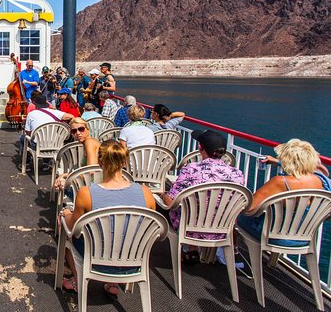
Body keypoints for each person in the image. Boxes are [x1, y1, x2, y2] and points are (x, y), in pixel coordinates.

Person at [59, 140, 156, 297]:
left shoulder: (86, 193)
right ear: (124, 162)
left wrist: (65, 213)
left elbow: (73, 226)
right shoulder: (145, 192)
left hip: (96, 259)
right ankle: (113, 283)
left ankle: (77, 280)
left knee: (63, 225)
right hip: (133, 261)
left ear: (99, 161)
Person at [163, 130, 244, 261]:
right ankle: (201, 251)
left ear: (200, 148)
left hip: (190, 228)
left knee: (179, 207)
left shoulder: (192, 169)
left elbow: (171, 201)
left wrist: (163, 195)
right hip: (222, 229)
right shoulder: (237, 174)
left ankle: (191, 249)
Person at [238, 139, 331, 246]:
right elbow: (320, 169)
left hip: (273, 236)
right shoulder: (323, 183)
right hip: (304, 238)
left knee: (235, 216)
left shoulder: (280, 182)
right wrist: (278, 162)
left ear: (287, 160)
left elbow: (249, 209)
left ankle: (231, 253)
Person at [21, 92, 74, 170]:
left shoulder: (31, 114)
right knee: (48, 136)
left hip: (38, 146)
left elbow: (28, 132)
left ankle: (27, 164)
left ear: (35, 105)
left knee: (23, 138)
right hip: (55, 144)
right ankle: (46, 163)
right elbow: (71, 116)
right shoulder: (56, 113)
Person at [53, 117, 101, 191]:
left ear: (88, 129)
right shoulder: (89, 142)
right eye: (74, 131)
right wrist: (66, 175)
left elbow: (91, 170)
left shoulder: (89, 143)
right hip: (93, 182)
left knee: (63, 187)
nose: (78, 133)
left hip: (94, 187)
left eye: (81, 129)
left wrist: (68, 180)